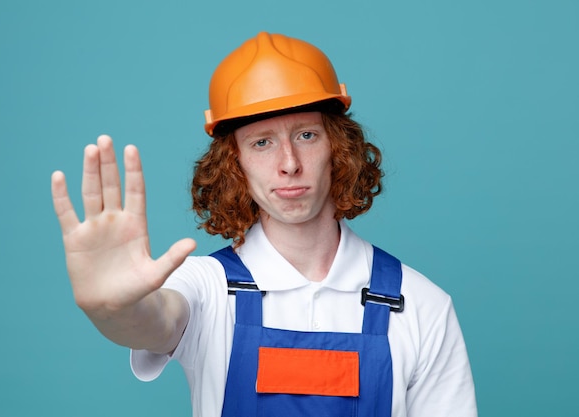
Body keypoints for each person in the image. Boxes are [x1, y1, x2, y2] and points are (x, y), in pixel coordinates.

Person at [51, 32, 477, 417]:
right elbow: (152, 320)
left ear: (338, 148)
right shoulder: (206, 289)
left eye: (307, 135)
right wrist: (114, 308)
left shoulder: (420, 305)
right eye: (262, 142)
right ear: (234, 164)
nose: (288, 164)